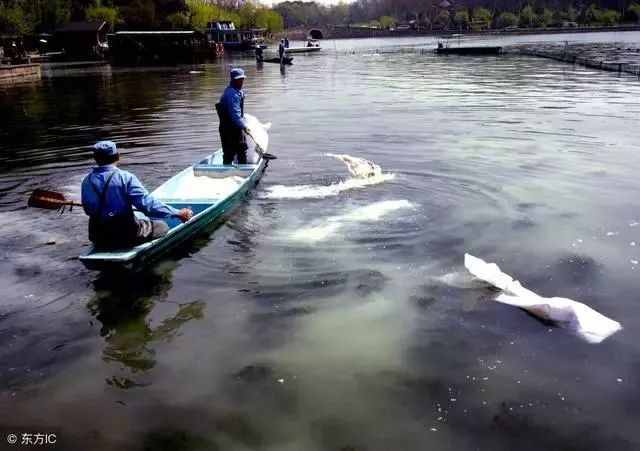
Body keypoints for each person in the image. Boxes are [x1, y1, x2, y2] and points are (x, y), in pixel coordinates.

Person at [81, 141, 193, 249]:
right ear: (117, 156)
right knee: (162, 226)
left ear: (95, 159)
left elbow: (88, 210)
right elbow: (147, 205)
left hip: (97, 236)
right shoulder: (125, 178)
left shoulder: (87, 181)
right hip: (125, 235)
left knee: (137, 217)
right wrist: (177, 213)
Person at [216, 68, 249, 165]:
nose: (241, 81)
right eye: (239, 79)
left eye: (242, 79)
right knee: (239, 152)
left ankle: (227, 172)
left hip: (229, 128)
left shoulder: (235, 91)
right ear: (233, 80)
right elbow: (235, 116)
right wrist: (244, 127)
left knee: (231, 153)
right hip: (231, 129)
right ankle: (243, 174)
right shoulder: (232, 95)